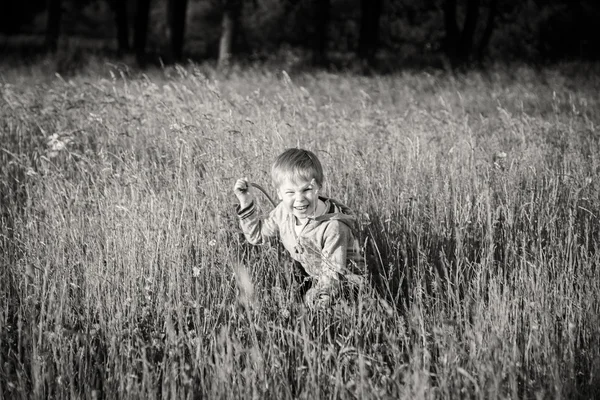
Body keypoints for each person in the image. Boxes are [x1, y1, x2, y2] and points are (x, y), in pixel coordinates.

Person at [233, 148, 365, 310]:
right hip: (313, 274)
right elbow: (256, 236)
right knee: (277, 298)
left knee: (314, 308)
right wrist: (246, 202)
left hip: (343, 282)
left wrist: (307, 301)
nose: (299, 199)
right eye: (290, 192)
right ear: (280, 193)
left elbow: (332, 276)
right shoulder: (283, 212)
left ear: (319, 186)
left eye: (307, 190)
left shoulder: (333, 227)